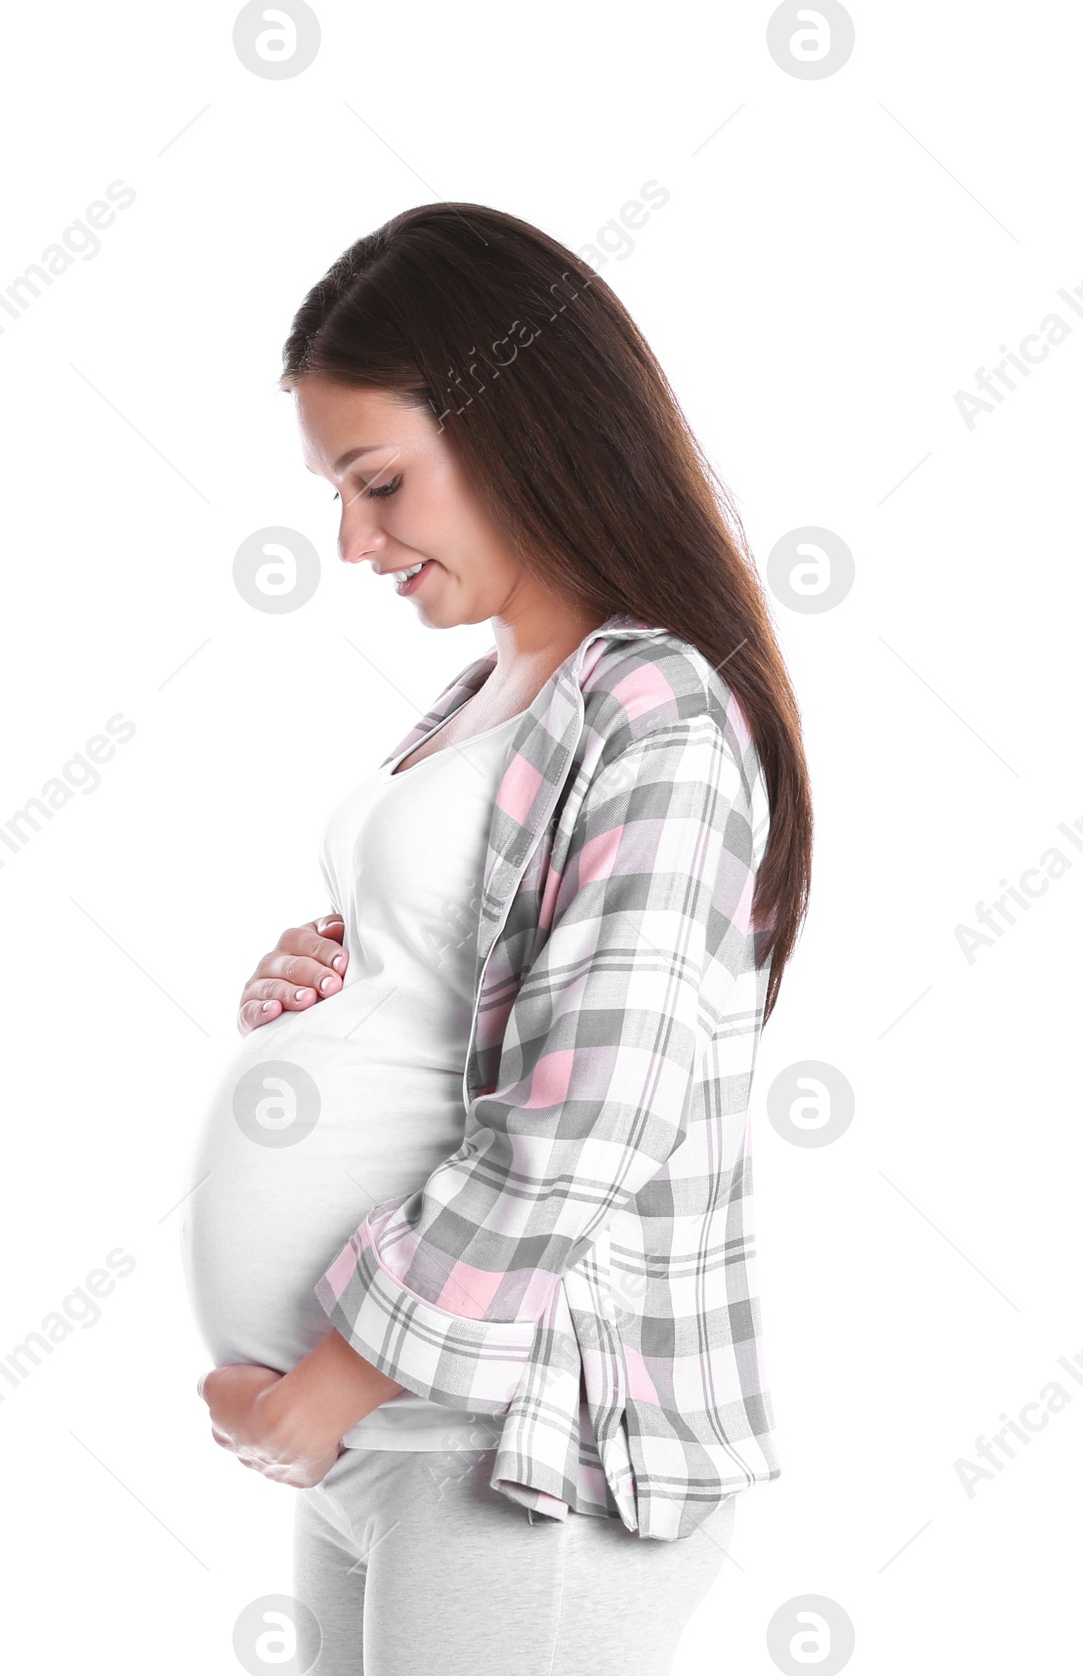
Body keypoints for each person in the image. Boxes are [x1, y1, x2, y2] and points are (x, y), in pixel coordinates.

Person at [189, 202, 813, 1676]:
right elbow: (471, 1001)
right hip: (401, 1433)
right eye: (335, 493)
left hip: (527, 1442)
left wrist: (330, 1383)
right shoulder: (491, 693)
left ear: (520, 424)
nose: (351, 540)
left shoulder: (653, 709)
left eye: (381, 481)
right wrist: (315, 1006)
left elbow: (589, 1115)